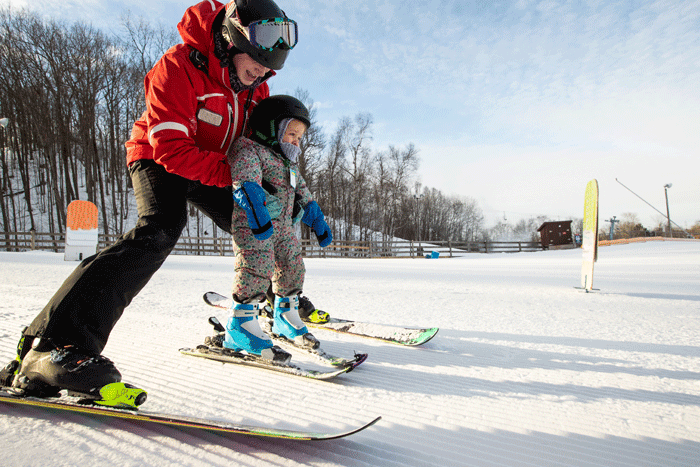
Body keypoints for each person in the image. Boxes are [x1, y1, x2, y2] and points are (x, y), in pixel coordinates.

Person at [0, 0, 298, 400]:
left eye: (267, 70)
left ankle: (268, 308)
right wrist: (242, 182)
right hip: (159, 158)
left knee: (268, 224)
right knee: (159, 230)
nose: (262, 74)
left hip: (213, 164)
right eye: (256, 65)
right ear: (230, 38)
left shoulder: (254, 90)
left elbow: (262, 148)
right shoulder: (178, 66)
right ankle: (54, 346)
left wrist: (281, 190)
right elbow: (171, 149)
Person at [220, 95, 332, 361]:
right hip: (254, 224)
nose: (296, 141)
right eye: (291, 133)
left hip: (284, 228)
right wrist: (253, 203)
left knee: (293, 266)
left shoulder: (288, 163)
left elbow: (302, 191)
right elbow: (245, 179)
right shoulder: (250, 149)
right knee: (256, 267)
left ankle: (285, 317)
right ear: (271, 128)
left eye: (299, 137)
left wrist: (315, 216)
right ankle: (240, 327)